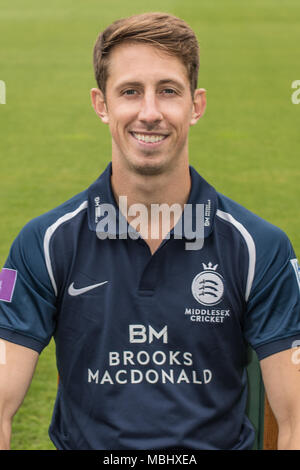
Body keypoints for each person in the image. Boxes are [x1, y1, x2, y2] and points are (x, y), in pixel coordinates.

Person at [0, 12, 300, 451]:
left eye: (168, 91)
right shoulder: (42, 244)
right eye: (129, 92)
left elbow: (295, 421)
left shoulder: (261, 249)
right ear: (101, 104)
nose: (150, 112)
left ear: (195, 106)